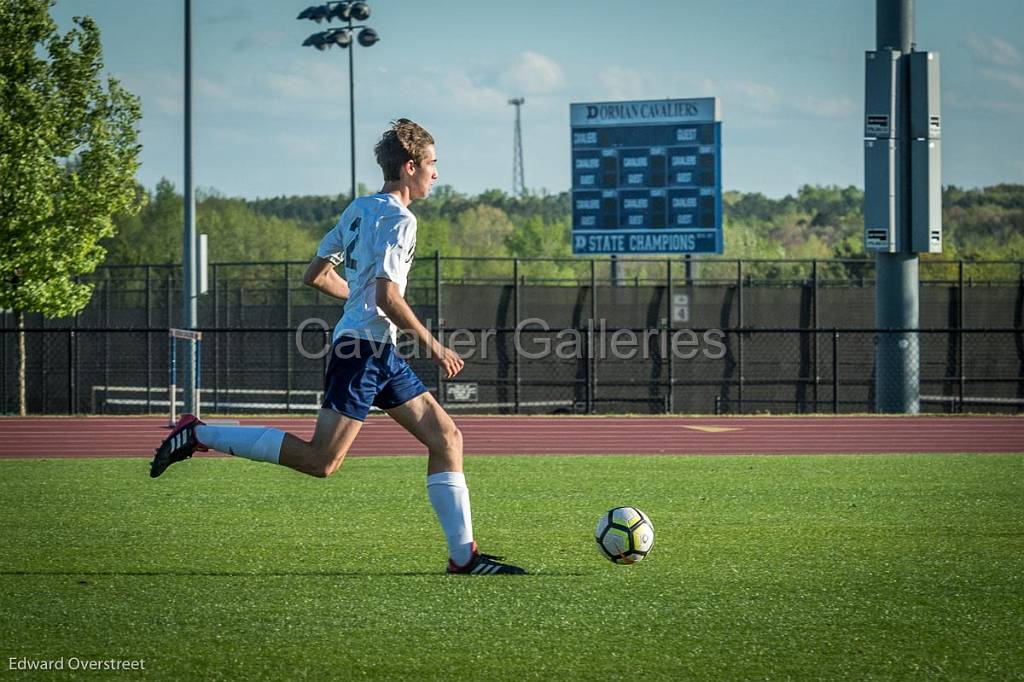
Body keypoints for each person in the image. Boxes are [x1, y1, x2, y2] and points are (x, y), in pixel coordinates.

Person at [151, 118, 524, 576]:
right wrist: (434, 346)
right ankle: (199, 433)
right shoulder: (400, 219)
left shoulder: (360, 208)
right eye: (432, 164)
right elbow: (388, 295)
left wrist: (361, 299)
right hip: (362, 351)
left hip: (376, 348)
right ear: (410, 167)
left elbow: (317, 274)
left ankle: (463, 557)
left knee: (447, 438)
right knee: (321, 461)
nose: (436, 174)